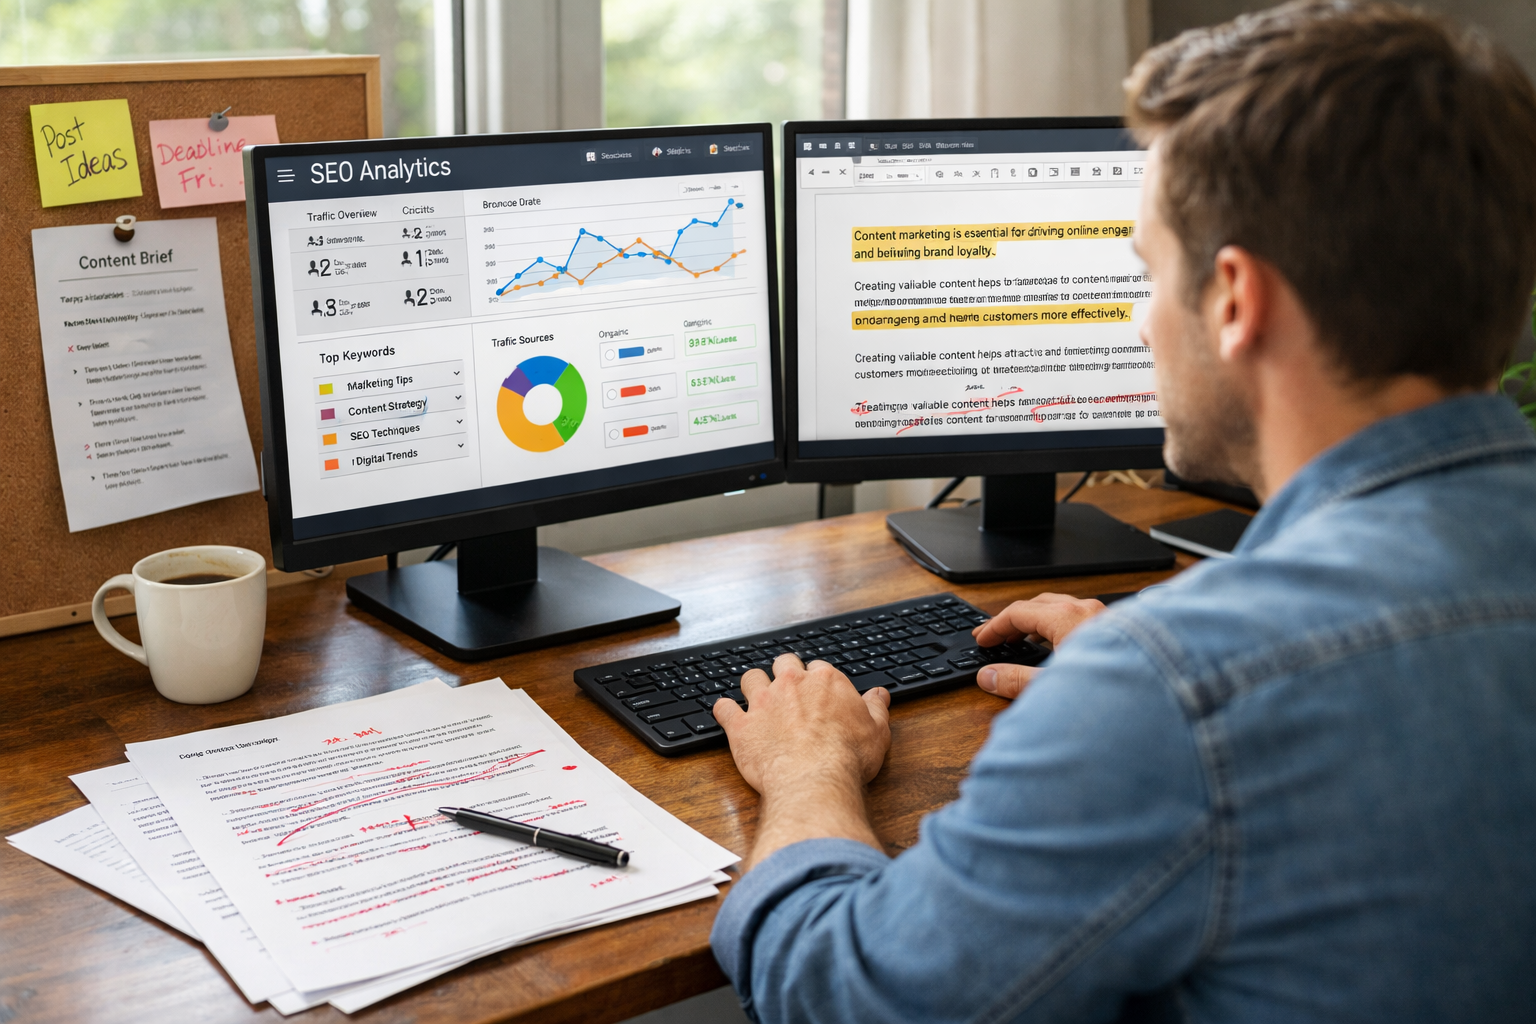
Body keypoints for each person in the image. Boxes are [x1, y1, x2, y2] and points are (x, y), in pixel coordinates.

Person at [707, 2, 1536, 1020]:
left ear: (1234, 300)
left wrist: (807, 771)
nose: (1142, 320)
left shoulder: (1176, 690)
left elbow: (841, 993)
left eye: (1147, 270)